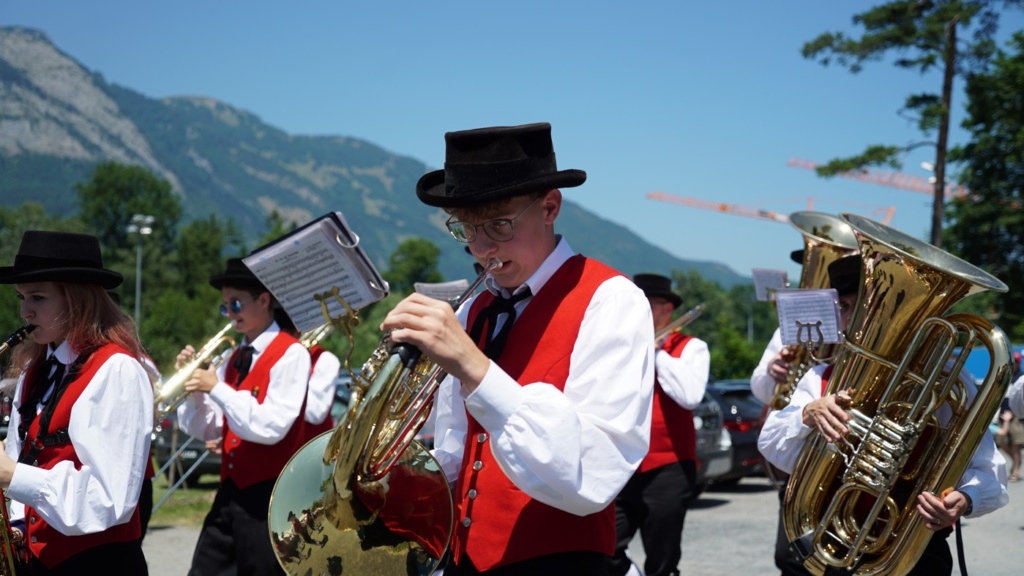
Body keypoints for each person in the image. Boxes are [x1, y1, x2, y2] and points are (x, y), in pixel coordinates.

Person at [382, 122, 655, 576]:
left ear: (549, 207)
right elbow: (455, 448)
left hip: (561, 562)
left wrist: (473, 367)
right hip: (463, 560)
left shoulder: (611, 298)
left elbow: (596, 469)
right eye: (465, 229)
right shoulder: (473, 310)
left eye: (499, 224)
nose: (483, 247)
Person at [758, 254, 1008, 575]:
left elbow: (990, 472)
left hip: (913, 552)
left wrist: (965, 498)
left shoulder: (947, 381)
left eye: (866, 307)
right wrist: (807, 414)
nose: (858, 321)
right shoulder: (820, 377)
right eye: (845, 308)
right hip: (834, 545)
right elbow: (771, 445)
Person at [0, 230, 153, 575]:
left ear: (77, 299)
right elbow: (21, 454)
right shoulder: (33, 372)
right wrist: (18, 524)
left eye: (37, 298)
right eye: (21, 297)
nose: (25, 312)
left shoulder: (117, 370)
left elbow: (110, 501)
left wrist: (13, 476)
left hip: (98, 564)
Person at [176, 257, 312, 576]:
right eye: (225, 306)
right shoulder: (232, 357)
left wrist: (217, 389)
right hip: (231, 490)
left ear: (264, 300)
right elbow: (207, 426)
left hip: (270, 496)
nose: (229, 314)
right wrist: (196, 390)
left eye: (235, 303)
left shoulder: (292, 353)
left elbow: (272, 426)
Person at [610, 273, 709, 576]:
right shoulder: (621, 346)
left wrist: (656, 353)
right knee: (604, 549)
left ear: (667, 308)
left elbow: (690, 396)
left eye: (646, 305)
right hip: (621, 462)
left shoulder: (692, 347)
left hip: (669, 466)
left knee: (662, 560)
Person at [749, 248, 814, 576]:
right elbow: (760, 389)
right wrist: (774, 371)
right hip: (797, 453)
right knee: (790, 556)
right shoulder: (789, 328)